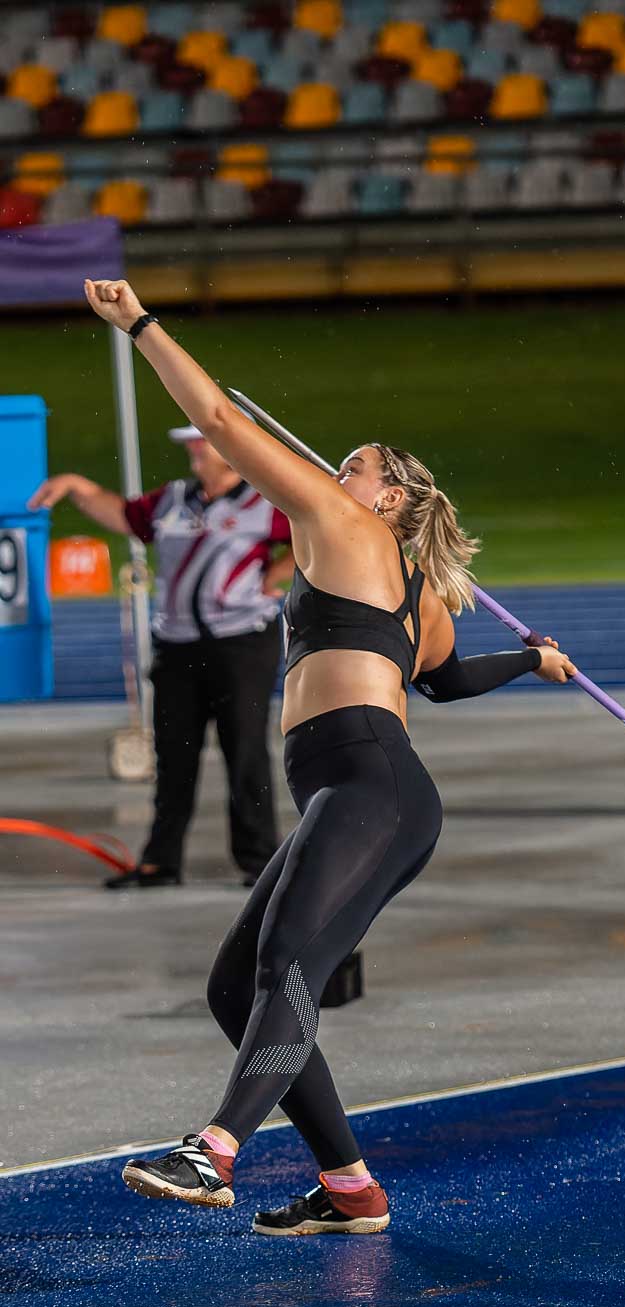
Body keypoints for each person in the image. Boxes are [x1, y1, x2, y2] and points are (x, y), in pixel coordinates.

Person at [81, 277, 576, 1236]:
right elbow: (443, 679)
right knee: (237, 985)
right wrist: (530, 659)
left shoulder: (348, 528)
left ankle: (214, 1152)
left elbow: (219, 421)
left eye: (351, 466)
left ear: (389, 497)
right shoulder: (409, 589)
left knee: (284, 961)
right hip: (358, 789)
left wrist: (140, 325)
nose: (331, 471)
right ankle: (349, 1188)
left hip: (371, 781)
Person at [28, 418, 294, 888]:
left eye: (203, 443)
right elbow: (126, 517)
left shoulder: (263, 501)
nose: (195, 451)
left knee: (245, 751)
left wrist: (278, 573)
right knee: (173, 755)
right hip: (177, 645)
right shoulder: (174, 499)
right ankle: (161, 860)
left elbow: (314, 533)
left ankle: (259, 860)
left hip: (240, 642)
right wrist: (77, 486)